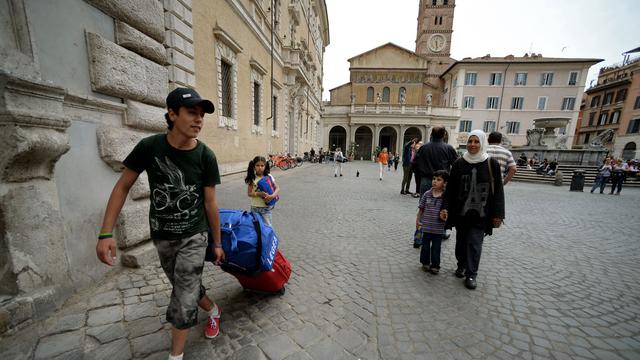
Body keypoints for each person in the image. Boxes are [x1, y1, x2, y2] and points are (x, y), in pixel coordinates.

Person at [96, 88, 224, 359]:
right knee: (185, 287)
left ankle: (175, 356)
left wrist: (217, 242)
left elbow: (211, 203)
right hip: (163, 235)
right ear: (172, 113)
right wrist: (106, 233)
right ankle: (213, 309)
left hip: (194, 235)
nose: (199, 119)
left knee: (184, 293)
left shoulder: (206, 156)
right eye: (192, 112)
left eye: (202, 115)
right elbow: (122, 187)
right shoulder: (149, 148)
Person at [441, 130, 505, 290]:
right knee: (461, 243)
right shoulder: (458, 163)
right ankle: (461, 265)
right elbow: (450, 190)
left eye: (476, 142)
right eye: (470, 141)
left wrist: (498, 214)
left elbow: (498, 191)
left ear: (482, 143)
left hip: (481, 214)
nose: (473, 145)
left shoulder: (492, 164)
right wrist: (445, 208)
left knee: (475, 243)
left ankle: (471, 274)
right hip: (461, 213)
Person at [416, 170, 449, 275]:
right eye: (434, 179)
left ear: (444, 183)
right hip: (426, 227)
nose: (435, 181)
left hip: (438, 229)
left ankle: (435, 265)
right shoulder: (427, 194)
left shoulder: (445, 197)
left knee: (436, 248)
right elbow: (421, 209)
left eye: (438, 180)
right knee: (425, 247)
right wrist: (418, 220)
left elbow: (447, 212)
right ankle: (425, 262)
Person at [414, 126, 459, 197]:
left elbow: (415, 164)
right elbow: (456, 165)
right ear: (444, 135)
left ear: (431, 134)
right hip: (442, 181)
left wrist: (420, 176)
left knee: (425, 204)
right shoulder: (448, 148)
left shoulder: (424, 147)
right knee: (441, 204)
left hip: (426, 179)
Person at [245, 156, 279, 226]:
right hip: (254, 208)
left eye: (262, 165)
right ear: (254, 166)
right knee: (256, 229)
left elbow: (277, 188)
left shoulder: (268, 176)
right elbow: (249, 193)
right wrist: (258, 194)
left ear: (265, 166)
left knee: (268, 229)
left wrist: (272, 196)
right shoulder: (252, 178)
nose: (260, 167)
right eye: (257, 165)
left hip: (265, 208)